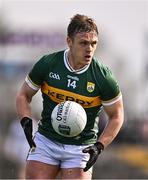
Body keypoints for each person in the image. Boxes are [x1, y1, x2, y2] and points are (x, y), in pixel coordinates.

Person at [16, 14, 124, 179]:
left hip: (81, 147)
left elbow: (117, 115)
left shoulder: (103, 77)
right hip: (47, 141)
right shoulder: (48, 63)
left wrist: (99, 146)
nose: (89, 49)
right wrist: (25, 120)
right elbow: (24, 95)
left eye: (93, 43)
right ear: (69, 41)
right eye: (83, 43)